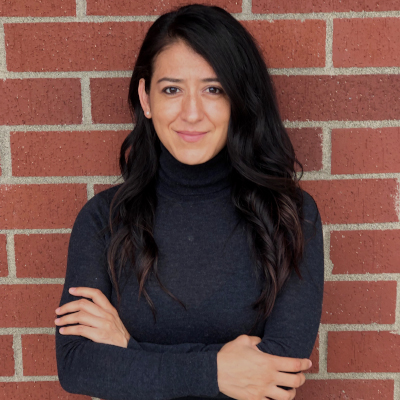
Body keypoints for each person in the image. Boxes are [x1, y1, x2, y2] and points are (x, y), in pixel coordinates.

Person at [55, 4, 324, 400]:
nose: (192, 113)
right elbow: (77, 365)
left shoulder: (290, 216)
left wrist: (129, 350)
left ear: (239, 99)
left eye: (213, 89)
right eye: (172, 89)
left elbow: (277, 373)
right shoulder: (104, 220)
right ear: (146, 99)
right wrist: (215, 371)